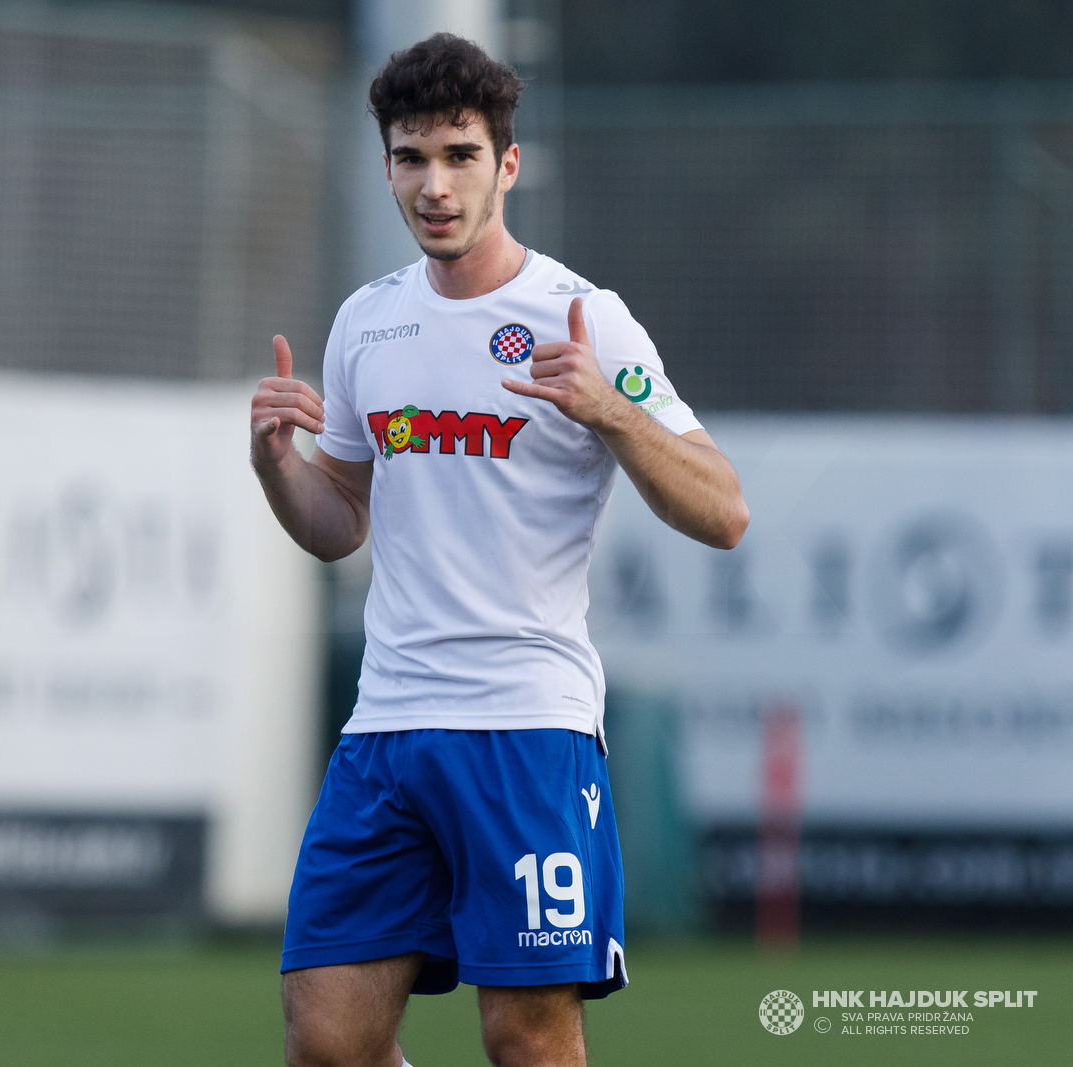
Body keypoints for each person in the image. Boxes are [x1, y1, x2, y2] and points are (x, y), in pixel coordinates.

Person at [251, 34, 749, 1067]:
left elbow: (723, 510)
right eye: (410, 157)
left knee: (525, 1036)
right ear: (384, 164)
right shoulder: (367, 323)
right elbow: (341, 516)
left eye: (459, 155)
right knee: (326, 1040)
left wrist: (612, 412)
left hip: (524, 729)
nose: (434, 185)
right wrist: (275, 466)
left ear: (506, 163)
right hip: (385, 729)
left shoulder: (584, 318)